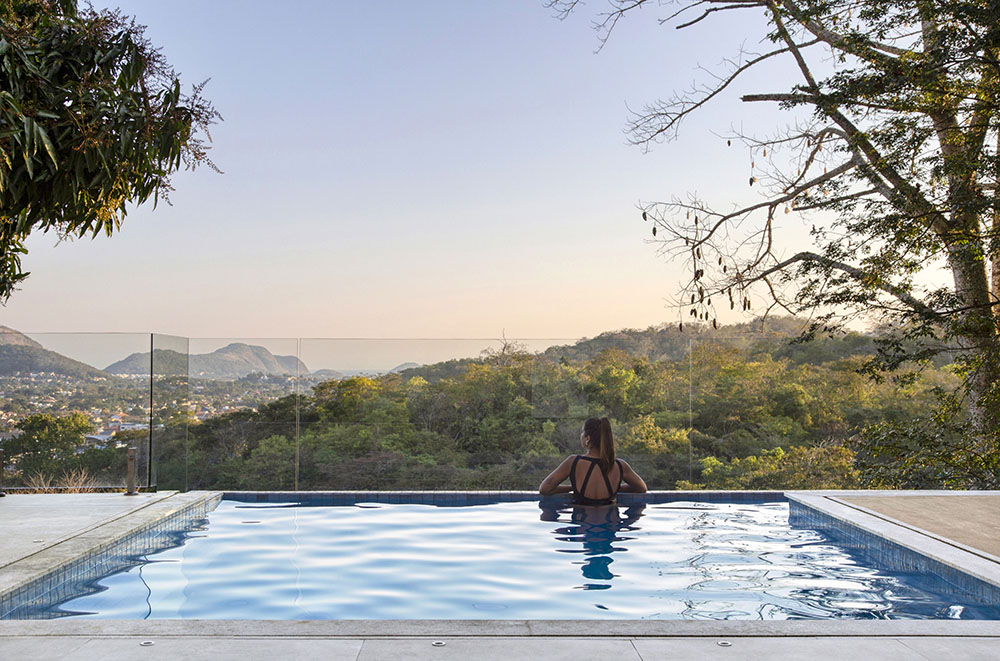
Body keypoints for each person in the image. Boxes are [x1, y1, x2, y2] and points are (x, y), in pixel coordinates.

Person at [538, 417, 647, 505]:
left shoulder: (573, 462)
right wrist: (617, 488)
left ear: (587, 438)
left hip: (583, 525)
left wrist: (572, 488)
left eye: (582, 433)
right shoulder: (620, 466)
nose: (581, 436)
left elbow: (544, 489)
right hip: (610, 527)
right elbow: (641, 488)